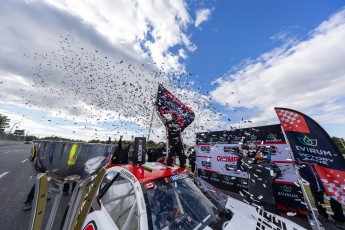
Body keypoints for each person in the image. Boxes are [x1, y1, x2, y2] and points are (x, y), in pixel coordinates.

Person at [242, 145, 281, 215]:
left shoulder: (265, 166)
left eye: (260, 153)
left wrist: (245, 155)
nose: (257, 153)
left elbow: (247, 165)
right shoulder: (258, 165)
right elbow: (242, 166)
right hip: (253, 197)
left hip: (264, 201)